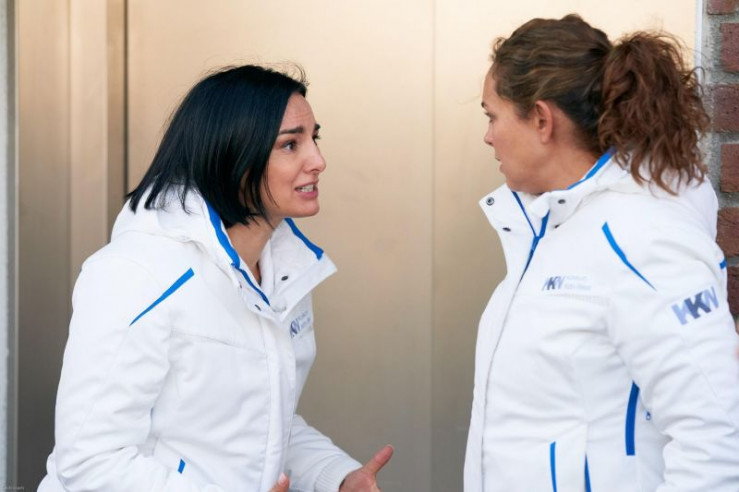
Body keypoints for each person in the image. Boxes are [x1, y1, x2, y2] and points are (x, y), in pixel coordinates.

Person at [37, 64, 393, 492]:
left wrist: (335, 476)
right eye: (290, 144)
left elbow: (254, 422)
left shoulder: (283, 271)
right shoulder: (136, 272)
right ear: (233, 154)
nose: (318, 161)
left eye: (314, 138)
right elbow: (91, 460)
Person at [465, 14, 739, 491]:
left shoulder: (645, 238)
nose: (488, 136)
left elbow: (716, 440)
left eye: (492, 116)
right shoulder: (552, 228)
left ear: (542, 119)